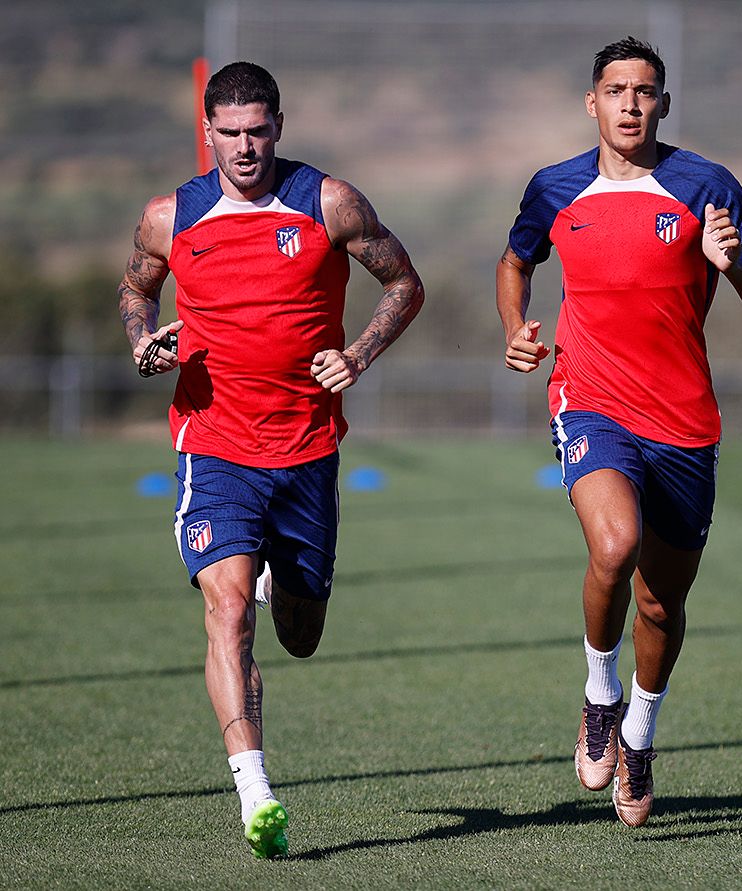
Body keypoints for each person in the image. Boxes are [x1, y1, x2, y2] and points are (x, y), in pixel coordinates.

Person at [116, 61, 424, 858]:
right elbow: (135, 290)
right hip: (213, 442)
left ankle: (275, 575)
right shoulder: (169, 216)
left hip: (307, 450)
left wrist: (357, 353)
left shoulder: (328, 202)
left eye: (259, 131)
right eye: (230, 133)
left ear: (279, 125)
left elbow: (403, 282)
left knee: (300, 630)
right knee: (227, 610)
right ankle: (255, 789)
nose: (246, 147)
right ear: (208, 132)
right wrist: (144, 341)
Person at [497, 36, 742, 827]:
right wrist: (517, 328)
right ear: (591, 102)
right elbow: (515, 261)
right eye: (616, 90)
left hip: (684, 419)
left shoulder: (707, 185)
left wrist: (733, 268)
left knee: (661, 604)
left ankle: (640, 736)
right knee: (614, 545)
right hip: (589, 400)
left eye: (645, 91)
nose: (630, 104)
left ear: (663, 103)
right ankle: (599, 692)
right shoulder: (555, 188)